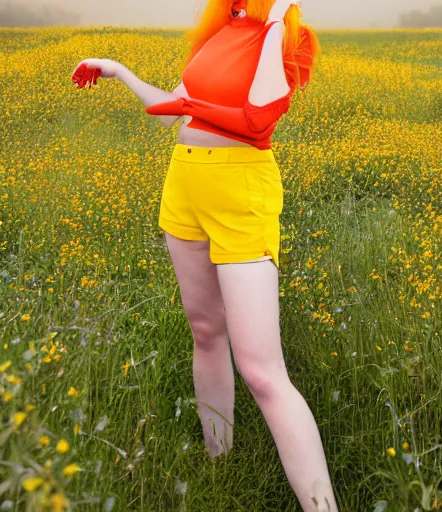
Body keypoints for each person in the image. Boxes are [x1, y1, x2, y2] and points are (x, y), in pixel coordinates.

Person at [71, 1, 338, 510]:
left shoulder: (285, 35)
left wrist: (279, 14)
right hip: (185, 181)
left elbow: (257, 120)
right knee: (206, 331)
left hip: (239, 191)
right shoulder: (219, 30)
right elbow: (176, 102)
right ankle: (222, 463)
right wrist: (119, 71)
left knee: (262, 371)